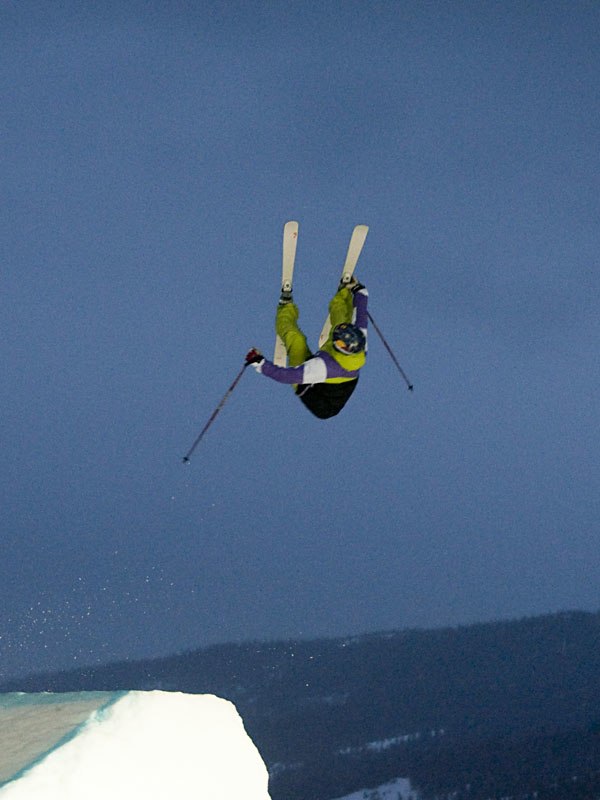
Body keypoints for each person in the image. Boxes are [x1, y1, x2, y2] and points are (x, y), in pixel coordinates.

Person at [245, 278, 368, 419]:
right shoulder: (359, 339)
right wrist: (358, 289)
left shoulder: (324, 367)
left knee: (296, 340)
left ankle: (286, 307)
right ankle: (343, 292)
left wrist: (261, 364)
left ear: (341, 348)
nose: (337, 337)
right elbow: (361, 314)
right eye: (338, 334)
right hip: (333, 375)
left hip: (320, 400)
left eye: (338, 342)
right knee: (342, 318)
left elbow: (287, 376)